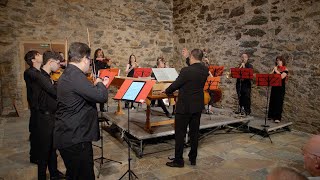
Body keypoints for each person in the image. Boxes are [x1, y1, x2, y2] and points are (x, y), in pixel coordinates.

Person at [54, 42, 109, 180]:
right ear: (85, 59)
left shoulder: (69, 73)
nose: (90, 64)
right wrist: (100, 83)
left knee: (75, 175)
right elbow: (102, 97)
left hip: (70, 134)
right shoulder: (76, 76)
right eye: (89, 61)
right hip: (75, 137)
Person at [165, 48, 208, 167]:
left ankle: (178, 160)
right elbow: (194, 67)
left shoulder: (186, 71)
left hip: (184, 107)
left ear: (192, 57)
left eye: (189, 57)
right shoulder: (205, 69)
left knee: (180, 134)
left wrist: (167, 91)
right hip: (197, 106)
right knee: (194, 134)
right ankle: (193, 159)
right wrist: (186, 57)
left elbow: (175, 85)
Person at [34, 51, 65, 180]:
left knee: (52, 148)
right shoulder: (40, 76)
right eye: (58, 63)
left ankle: (54, 173)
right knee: (44, 152)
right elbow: (54, 91)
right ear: (51, 62)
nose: (59, 66)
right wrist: (66, 77)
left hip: (51, 117)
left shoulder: (47, 76)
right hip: (44, 118)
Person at [24, 50, 43, 164]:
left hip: (40, 105)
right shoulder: (29, 72)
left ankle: (37, 154)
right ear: (33, 60)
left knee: (39, 132)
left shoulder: (38, 72)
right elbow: (39, 80)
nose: (41, 55)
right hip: (36, 106)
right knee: (36, 132)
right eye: (38, 55)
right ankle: (34, 156)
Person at [268, 56, 289, 123]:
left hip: (280, 88)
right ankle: (271, 116)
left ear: (282, 61)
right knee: (272, 101)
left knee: (278, 102)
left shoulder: (285, 69)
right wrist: (273, 70)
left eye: (279, 60)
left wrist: (276, 71)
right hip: (274, 87)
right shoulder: (276, 68)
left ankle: (277, 118)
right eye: (277, 60)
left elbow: (282, 77)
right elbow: (270, 76)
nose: (278, 62)